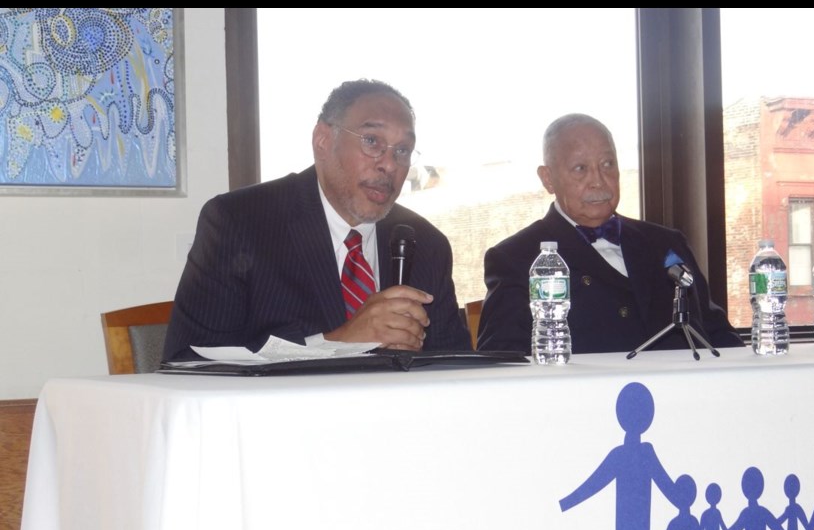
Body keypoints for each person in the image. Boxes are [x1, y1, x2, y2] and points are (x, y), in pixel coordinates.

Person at [163, 79, 471, 362]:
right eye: (372, 141)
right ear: (323, 140)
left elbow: (455, 367)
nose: (389, 164)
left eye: (402, 150)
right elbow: (189, 359)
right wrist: (337, 342)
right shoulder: (239, 222)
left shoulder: (427, 243)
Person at [477, 113, 742, 354]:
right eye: (581, 168)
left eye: (607, 164)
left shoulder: (666, 243)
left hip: (684, 399)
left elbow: (717, 334)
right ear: (548, 179)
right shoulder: (515, 257)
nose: (598, 180)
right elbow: (502, 361)